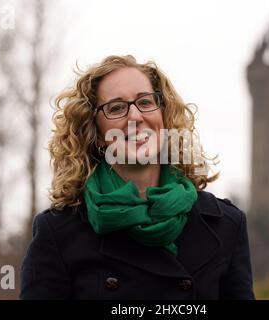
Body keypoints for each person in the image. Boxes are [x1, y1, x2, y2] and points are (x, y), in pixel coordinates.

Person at [19, 55, 255, 300]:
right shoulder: (58, 233)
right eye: (116, 108)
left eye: (145, 102)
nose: (135, 117)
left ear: (163, 117)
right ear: (96, 133)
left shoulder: (226, 225)